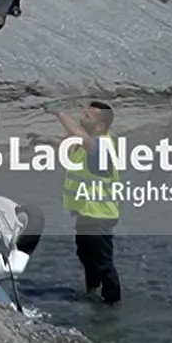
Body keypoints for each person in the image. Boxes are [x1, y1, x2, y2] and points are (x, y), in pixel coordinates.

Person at [56, 100, 122, 305]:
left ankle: (112, 303)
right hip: (85, 212)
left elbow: (80, 139)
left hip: (100, 214)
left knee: (102, 262)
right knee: (86, 255)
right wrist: (46, 141)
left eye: (88, 116)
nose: (82, 116)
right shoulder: (87, 142)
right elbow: (72, 147)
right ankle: (92, 292)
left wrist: (59, 113)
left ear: (101, 125)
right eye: (83, 113)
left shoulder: (103, 144)